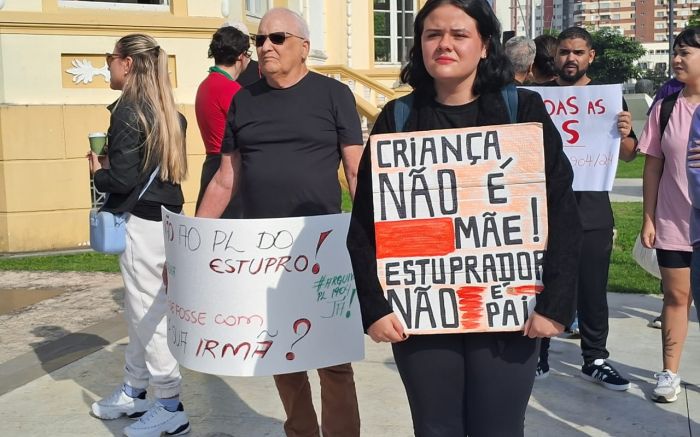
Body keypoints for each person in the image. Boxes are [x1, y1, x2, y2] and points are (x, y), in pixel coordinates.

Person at [346, 1, 582, 435]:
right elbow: (364, 226)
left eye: (459, 34)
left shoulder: (523, 110)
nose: (445, 44)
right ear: (419, 45)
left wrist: (555, 305)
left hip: (511, 312)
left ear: (485, 44)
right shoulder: (397, 120)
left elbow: (563, 213)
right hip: (420, 315)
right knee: (435, 429)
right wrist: (374, 308)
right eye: (433, 34)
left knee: (499, 428)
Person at [196, 8, 363, 437]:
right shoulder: (242, 100)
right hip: (262, 255)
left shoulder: (334, 95)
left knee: (333, 362)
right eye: (260, 39)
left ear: (303, 48)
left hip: (321, 248)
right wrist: (192, 243)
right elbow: (225, 178)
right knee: (281, 358)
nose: (265, 46)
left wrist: (376, 239)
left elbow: (356, 171)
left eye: (277, 38)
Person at [87, 34, 190, 437]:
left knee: (151, 314)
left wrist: (98, 170)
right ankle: (134, 388)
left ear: (127, 63)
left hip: (141, 224)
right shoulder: (167, 110)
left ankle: (170, 405)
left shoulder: (130, 112)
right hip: (164, 219)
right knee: (143, 310)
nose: (108, 65)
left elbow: (123, 178)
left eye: (110, 58)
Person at [535, 26, 638, 388]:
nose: (570, 59)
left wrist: (625, 133)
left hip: (592, 209)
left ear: (590, 56)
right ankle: (538, 353)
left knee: (593, 288)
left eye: (578, 52)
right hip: (545, 210)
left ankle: (595, 357)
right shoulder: (538, 98)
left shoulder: (607, 98)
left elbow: (628, 157)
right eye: (564, 52)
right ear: (556, 56)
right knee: (542, 284)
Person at [639, 26, 700, 403]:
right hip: (673, 220)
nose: (676, 60)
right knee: (676, 297)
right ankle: (669, 372)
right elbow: (652, 167)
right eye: (675, 52)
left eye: (686, 53)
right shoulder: (665, 108)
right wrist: (649, 217)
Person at [195, 25, 251, 218]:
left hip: (211, 165)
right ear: (241, 56)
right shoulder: (232, 90)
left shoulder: (205, 84)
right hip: (229, 169)